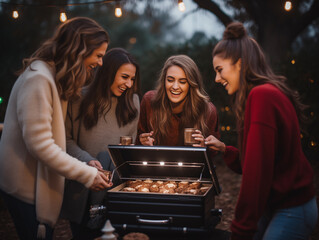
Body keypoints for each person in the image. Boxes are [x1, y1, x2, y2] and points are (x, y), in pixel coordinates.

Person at [0, 17, 112, 240]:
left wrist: (84, 162)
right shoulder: (38, 79)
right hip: (25, 188)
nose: (100, 63)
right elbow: (41, 146)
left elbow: (53, 138)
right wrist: (87, 174)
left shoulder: (54, 77)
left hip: (37, 184)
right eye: (98, 55)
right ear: (80, 50)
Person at [205, 22, 318, 240]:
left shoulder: (262, 96)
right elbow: (257, 163)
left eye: (219, 70)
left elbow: (256, 176)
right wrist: (225, 149)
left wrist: (241, 230)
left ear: (239, 64)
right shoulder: (259, 96)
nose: (216, 79)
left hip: (292, 208)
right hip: (275, 205)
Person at [60, 48, 140, 240]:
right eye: (124, 77)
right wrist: (87, 161)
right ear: (107, 73)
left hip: (116, 194)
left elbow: (128, 150)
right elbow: (66, 140)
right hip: (82, 190)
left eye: (132, 79)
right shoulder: (78, 99)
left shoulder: (133, 102)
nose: (129, 84)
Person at [136, 54, 219, 149]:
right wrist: (142, 142)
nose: (175, 87)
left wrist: (204, 147)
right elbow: (138, 143)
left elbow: (213, 154)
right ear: (164, 81)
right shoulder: (149, 101)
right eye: (170, 80)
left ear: (191, 84)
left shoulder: (208, 110)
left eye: (182, 82)